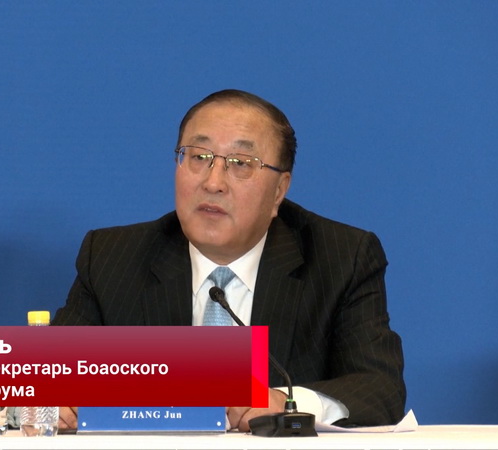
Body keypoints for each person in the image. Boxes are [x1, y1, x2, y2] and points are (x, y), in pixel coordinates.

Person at [51, 89, 406, 431]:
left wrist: (286, 402)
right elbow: (49, 378)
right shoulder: (112, 257)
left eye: (240, 163)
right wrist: (56, 398)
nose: (213, 182)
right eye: (198, 157)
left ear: (279, 190)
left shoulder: (340, 258)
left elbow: (380, 389)